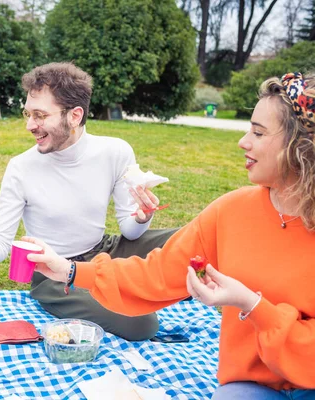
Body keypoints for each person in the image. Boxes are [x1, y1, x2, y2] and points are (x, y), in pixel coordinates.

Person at [24, 72, 315, 399]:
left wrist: (250, 304)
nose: (243, 141)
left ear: (300, 146)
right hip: (255, 385)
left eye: (258, 133)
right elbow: (156, 274)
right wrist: (70, 270)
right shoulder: (231, 211)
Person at [0, 62, 177, 340]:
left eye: (40, 115)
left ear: (75, 115)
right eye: (28, 114)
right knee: (142, 323)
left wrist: (142, 216)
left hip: (104, 251)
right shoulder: (21, 167)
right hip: (53, 273)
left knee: (192, 240)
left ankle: (151, 283)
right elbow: (1, 245)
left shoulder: (115, 151)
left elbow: (130, 231)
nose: (30, 125)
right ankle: (147, 287)